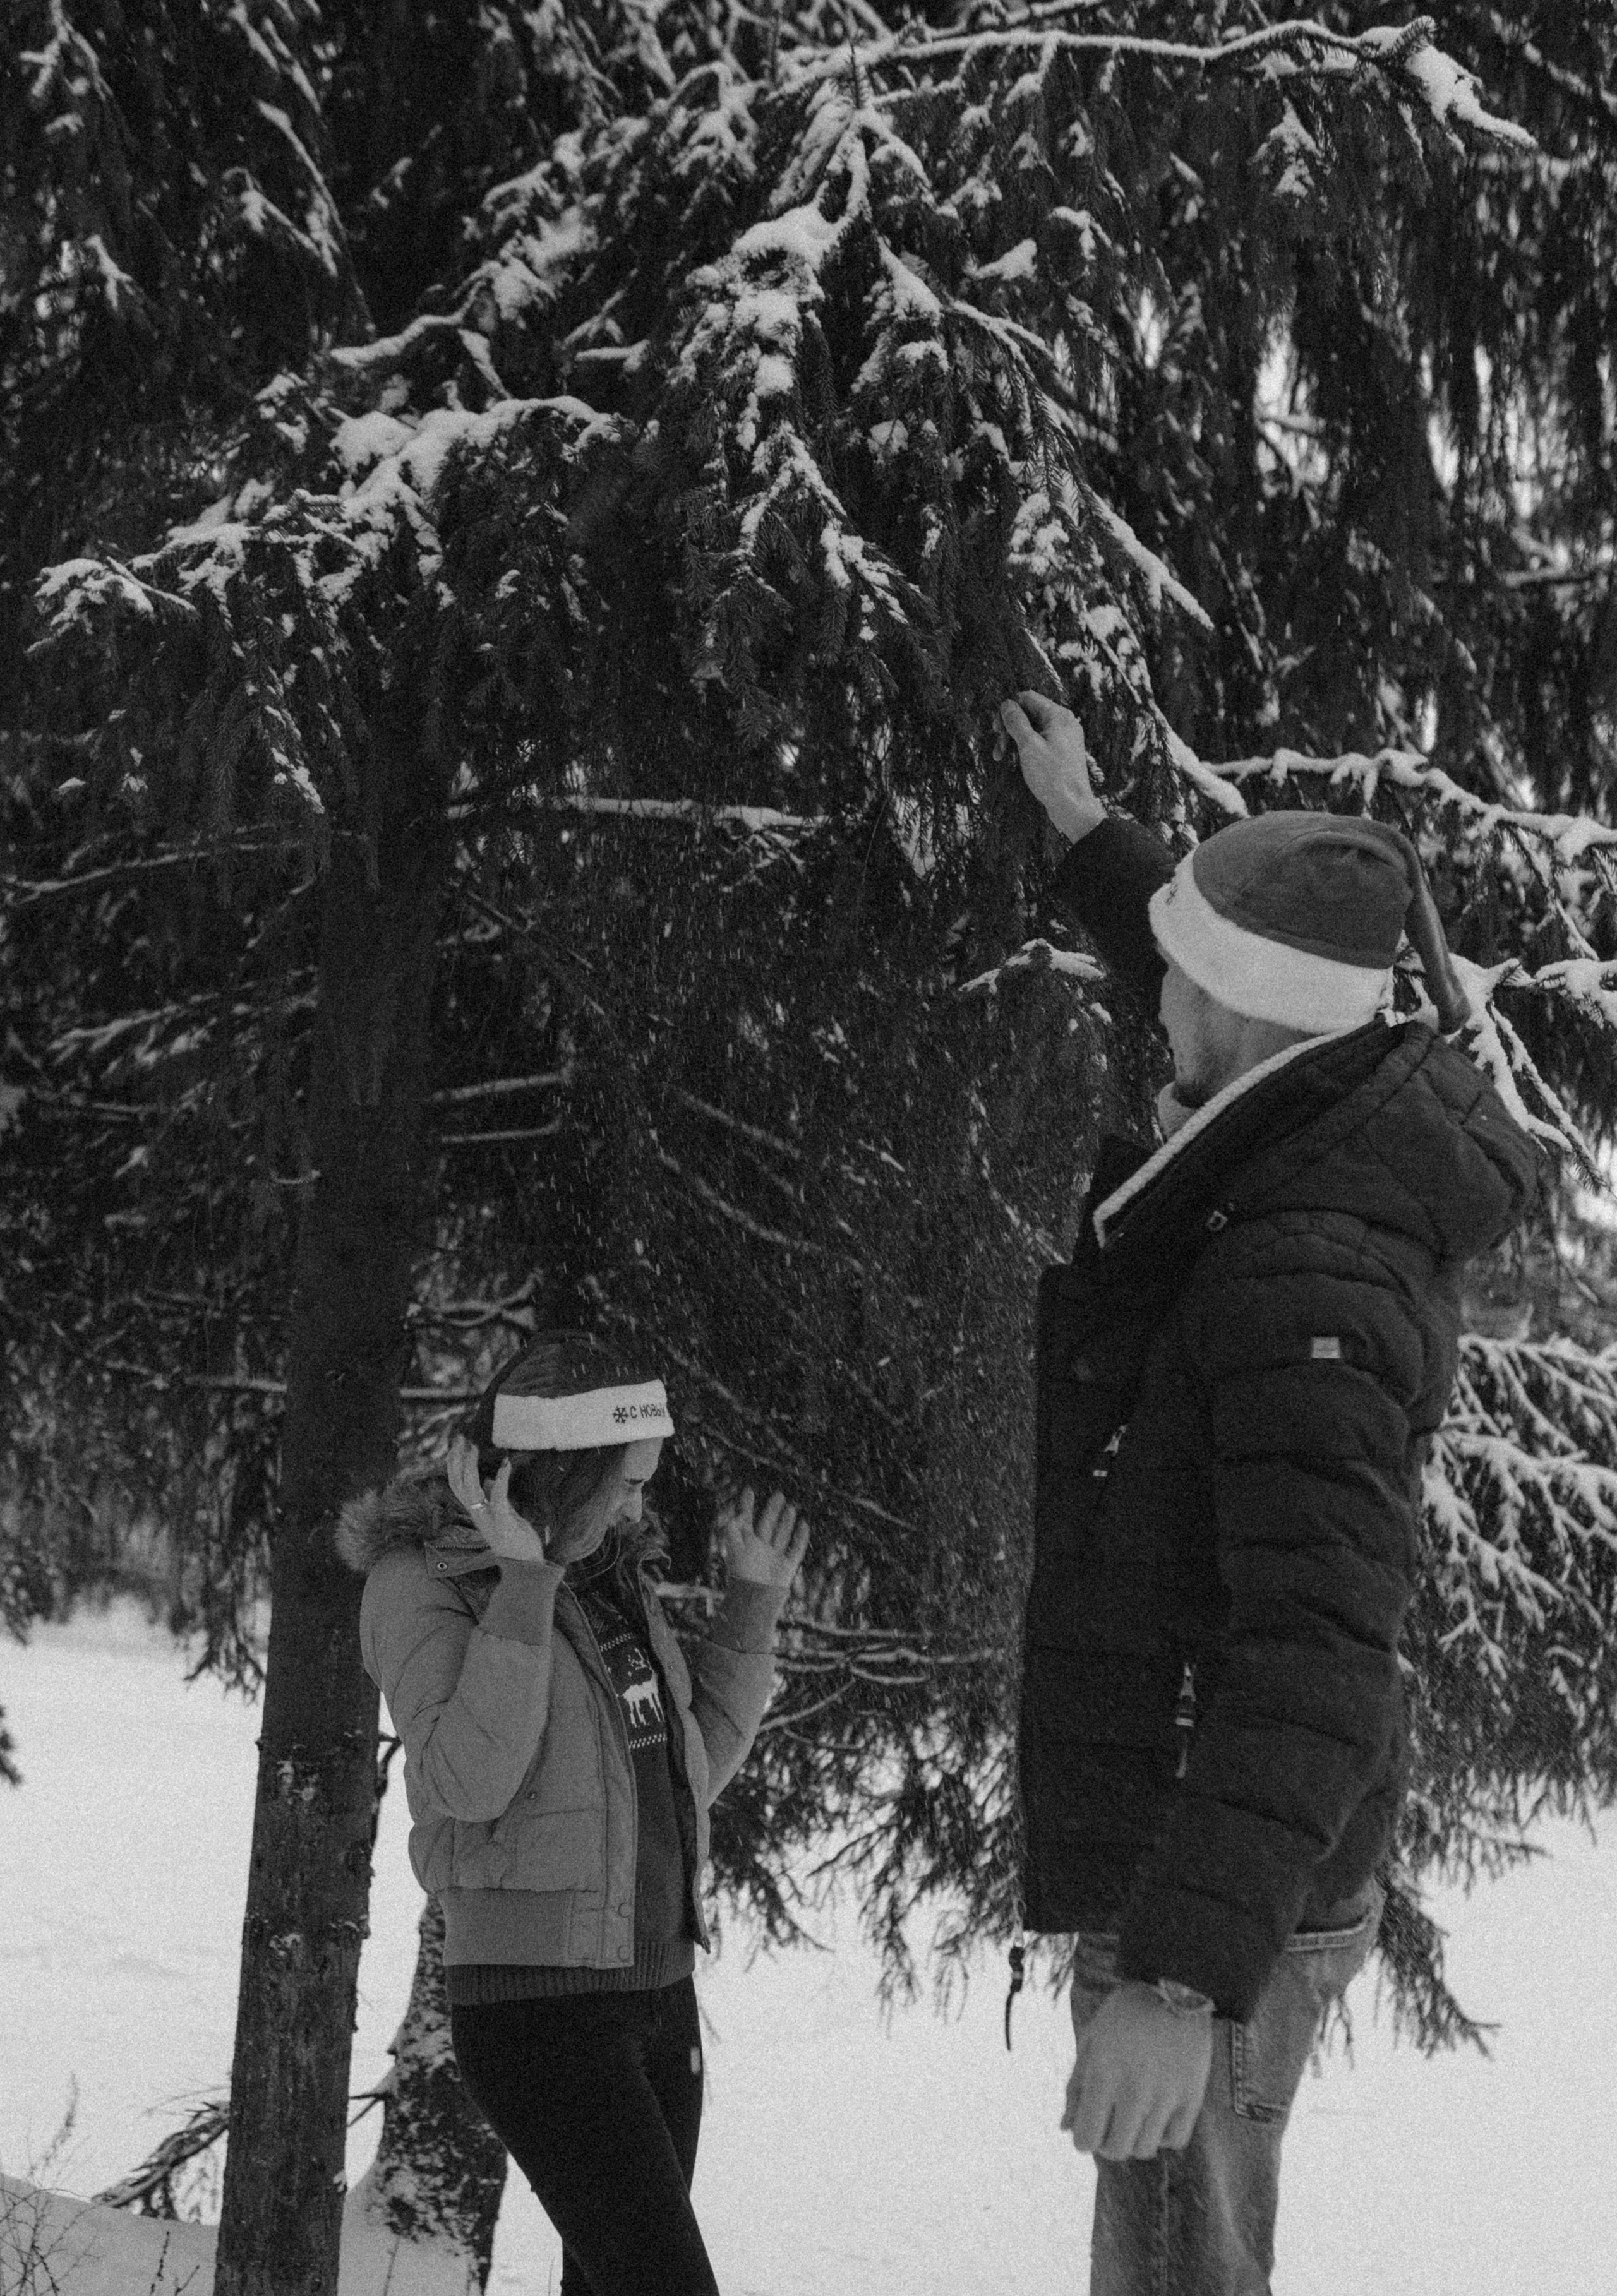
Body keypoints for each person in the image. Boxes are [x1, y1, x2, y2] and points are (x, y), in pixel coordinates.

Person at [1000, 693, 1538, 2295]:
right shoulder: (1300, 1122)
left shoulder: (1300, 1268)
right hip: (1214, 1857)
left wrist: (1177, 1978)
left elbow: (1314, 1655)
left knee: (1176, 2274)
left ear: (1238, 1007)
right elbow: (1210, 978)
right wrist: (1092, 837)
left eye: (1176, 969)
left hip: (1216, 1884)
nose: (1145, 991)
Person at [337, 1330, 809, 2296]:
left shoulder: (606, 1574)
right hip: (539, 2008)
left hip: (657, 1989)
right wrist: (523, 1587)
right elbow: (470, 1781)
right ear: (568, 1470)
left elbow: (684, 1772)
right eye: (626, 1482)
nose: (642, 1506)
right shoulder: (423, 1580)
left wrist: (751, 1608)